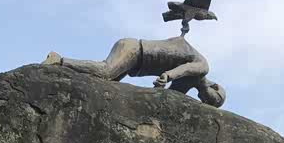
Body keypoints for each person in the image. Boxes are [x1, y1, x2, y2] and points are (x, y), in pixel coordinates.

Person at [42, 35, 226, 108]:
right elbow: (183, 70)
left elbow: (171, 98)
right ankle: (59, 60)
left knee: (104, 83)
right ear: (215, 87)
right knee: (106, 71)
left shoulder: (186, 83)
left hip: (136, 63)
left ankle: (65, 70)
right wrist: (167, 76)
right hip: (135, 50)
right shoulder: (202, 67)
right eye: (210, 99)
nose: (204, 100)